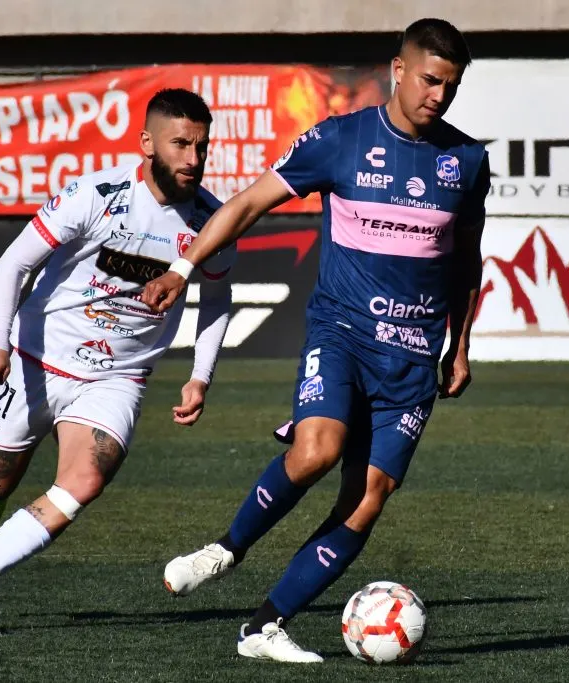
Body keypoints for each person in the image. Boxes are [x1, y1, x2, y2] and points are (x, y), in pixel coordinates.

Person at [140, 18, 490, 664]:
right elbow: (246, 205)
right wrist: (182, 269)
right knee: (315, 451)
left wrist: (458, 346)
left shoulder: (466, 161)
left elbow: (467, 262)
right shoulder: (340, 139)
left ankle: (264, 626)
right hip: (344, 333)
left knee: (369, 497)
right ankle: (226, 548)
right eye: (431, 80)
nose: (439, 96)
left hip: (412, 361)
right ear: (399, 70)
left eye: (452, 85)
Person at [0, 88, 236, 632]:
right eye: (181, 144)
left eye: (202, 146)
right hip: (39, 355)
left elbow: (216, 300)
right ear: (147, 144)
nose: (193, 158)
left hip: (119, 375)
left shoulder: (212, 222)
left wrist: (200, 376)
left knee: (86, 478)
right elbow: (12, 264)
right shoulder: (96, 195)